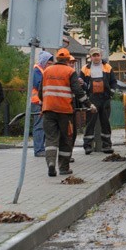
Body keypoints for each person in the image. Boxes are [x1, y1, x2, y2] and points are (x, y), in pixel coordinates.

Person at [40, 48, 96, 177]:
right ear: (67, 59)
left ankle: (51, 164)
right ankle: (64, 168)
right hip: (65, 112)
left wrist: (44, 106)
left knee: (50, 139)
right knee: (66, 139)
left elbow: (40, 92)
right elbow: (78, 92)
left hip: (48, 110)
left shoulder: (47, 71)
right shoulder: (70, 72)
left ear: (57, 59)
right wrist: (89, 104)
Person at [81, 47, 117, 155]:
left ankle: (107, 146)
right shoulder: (85, 69)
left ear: (101, 56)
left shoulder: (107, 67)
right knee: (90, 123)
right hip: (92, 99)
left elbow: (113, 82)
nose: (96, 57)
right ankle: (87, 146)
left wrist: (111, 93)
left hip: (105, 98)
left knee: (105, 123)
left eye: (98, 55)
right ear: (90, 57)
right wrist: (85, 97)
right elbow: (81, 84)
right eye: (94, 55)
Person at [31, 51, 53, 157]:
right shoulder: (37, 70)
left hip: (44, 102)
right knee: (39, 126)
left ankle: (41, 148)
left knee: (43, 126)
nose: (50, 65)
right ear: (44, 62)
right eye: (49, 63)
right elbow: (39, 85)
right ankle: (39, 149)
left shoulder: (43, 70)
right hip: (37, 102)